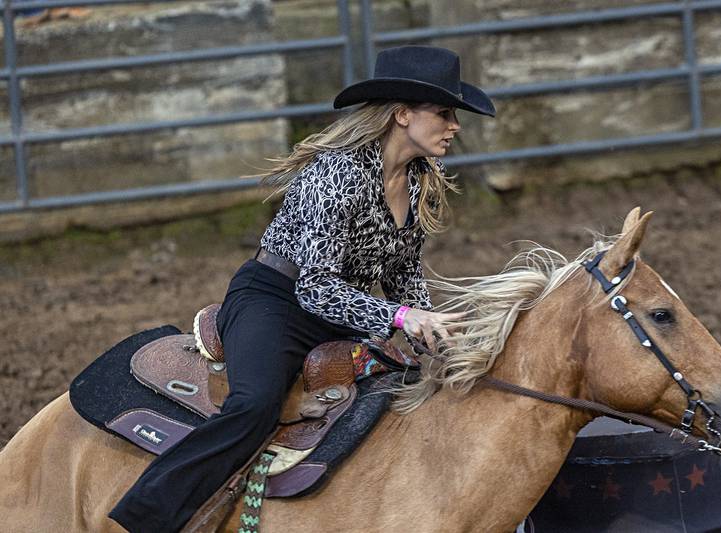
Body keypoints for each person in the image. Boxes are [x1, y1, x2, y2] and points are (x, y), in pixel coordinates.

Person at [109, 44, 495, 532]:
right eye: (444, 112)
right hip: (275, 299)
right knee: (254, 406)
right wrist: (399, 318)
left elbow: (402, 276)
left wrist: (429, 331)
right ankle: (143, 517)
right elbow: (314, 288)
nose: (454, 125)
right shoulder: (338, 173)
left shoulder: (419, 180)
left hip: (342, 310)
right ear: (402, 114)